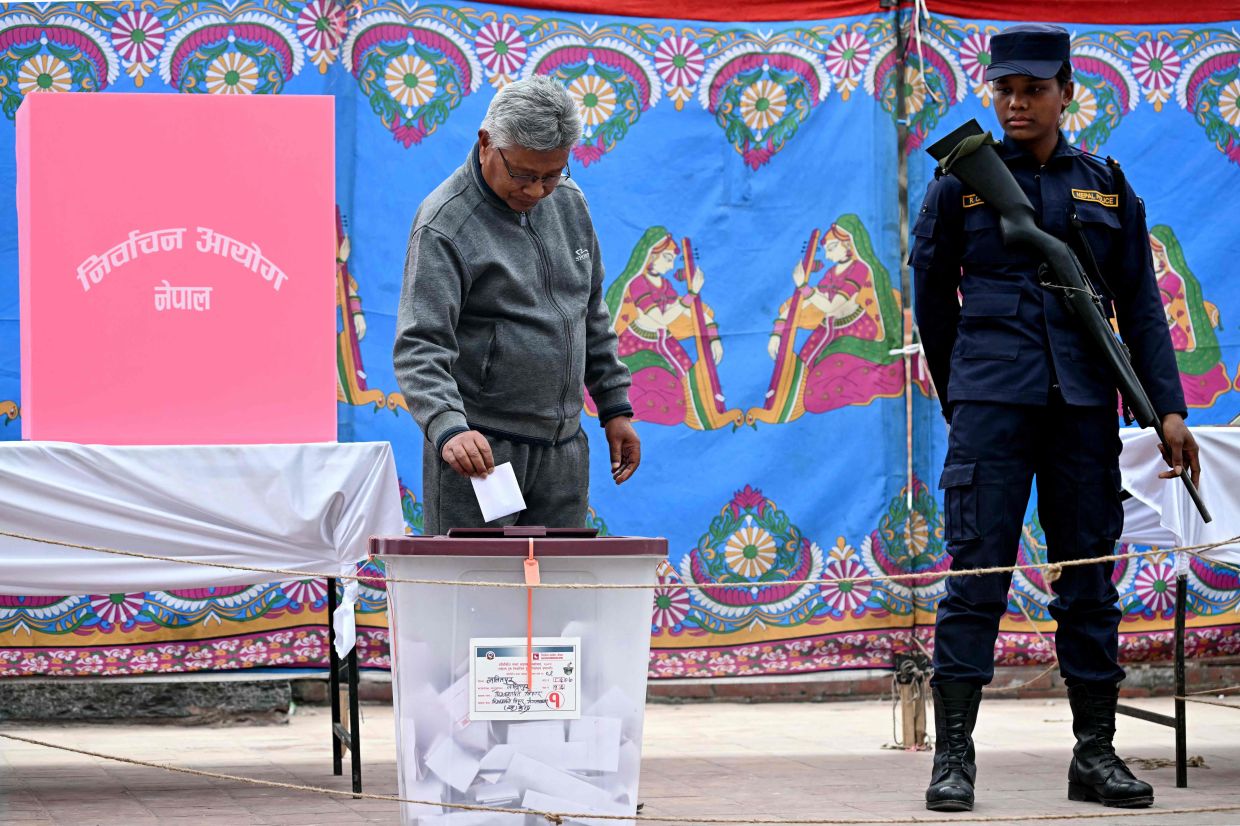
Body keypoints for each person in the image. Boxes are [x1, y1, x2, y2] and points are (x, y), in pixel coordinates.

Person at [910, 23, 1200, 813]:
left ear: (1068, 92)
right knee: (975, 580)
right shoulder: (958, 182)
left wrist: (1167, 410)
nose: (1017, 103)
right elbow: (933, 301)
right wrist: (962, 390)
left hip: (1082, 406)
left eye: (1034, 89)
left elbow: (1140, 305)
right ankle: (955, 759)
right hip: (991, 405)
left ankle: (1095, 755)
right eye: (1004, 89)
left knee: (1088, 582)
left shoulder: (1106, 184)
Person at [394, 76, 640, 534]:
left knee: (555, 595)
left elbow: (589, 313)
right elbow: (420, 345)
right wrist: (449, 426)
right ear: (486, 142)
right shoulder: (444, 224)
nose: (536, 191)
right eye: (523, 175)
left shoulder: (569, 203)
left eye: (552, 174)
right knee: (473, 594)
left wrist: (614, 408)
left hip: (565, 450)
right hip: (481, 454)